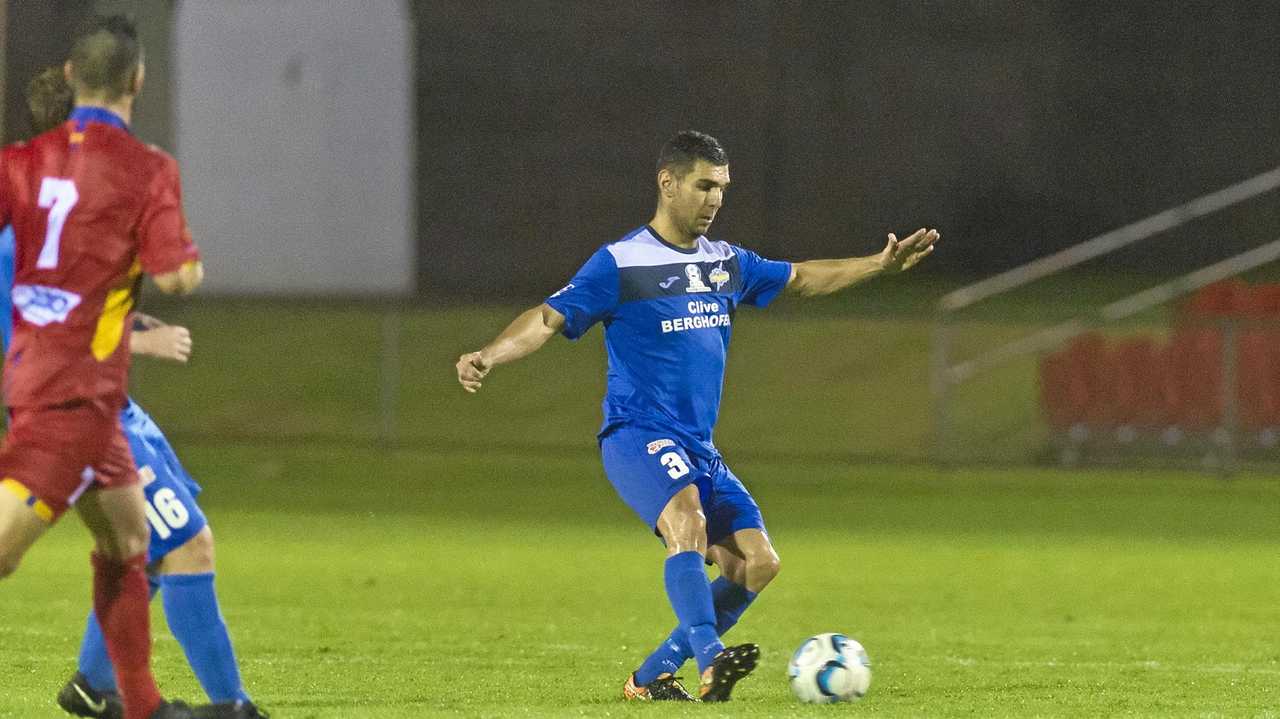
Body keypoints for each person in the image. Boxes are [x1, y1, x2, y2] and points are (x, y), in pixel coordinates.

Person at [455, 130, 938, 702]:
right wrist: (488, 354)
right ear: (668, 183)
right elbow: (546, 318)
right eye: (704, 185)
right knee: (687, 521)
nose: (715, 199)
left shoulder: (725, 263)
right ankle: (712, 661)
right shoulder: (622, 262)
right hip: (637, 434)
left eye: (723, 189)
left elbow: (803, 276)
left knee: (757, 564)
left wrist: (878, 266)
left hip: (699, 447)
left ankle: (651, 677)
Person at [6, 65, 268, 719]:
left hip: (106, 405)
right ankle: (234, 706)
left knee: (142, 547)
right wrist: (141, 337)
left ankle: (96, 689)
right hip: (71, 409)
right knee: (184, 544)